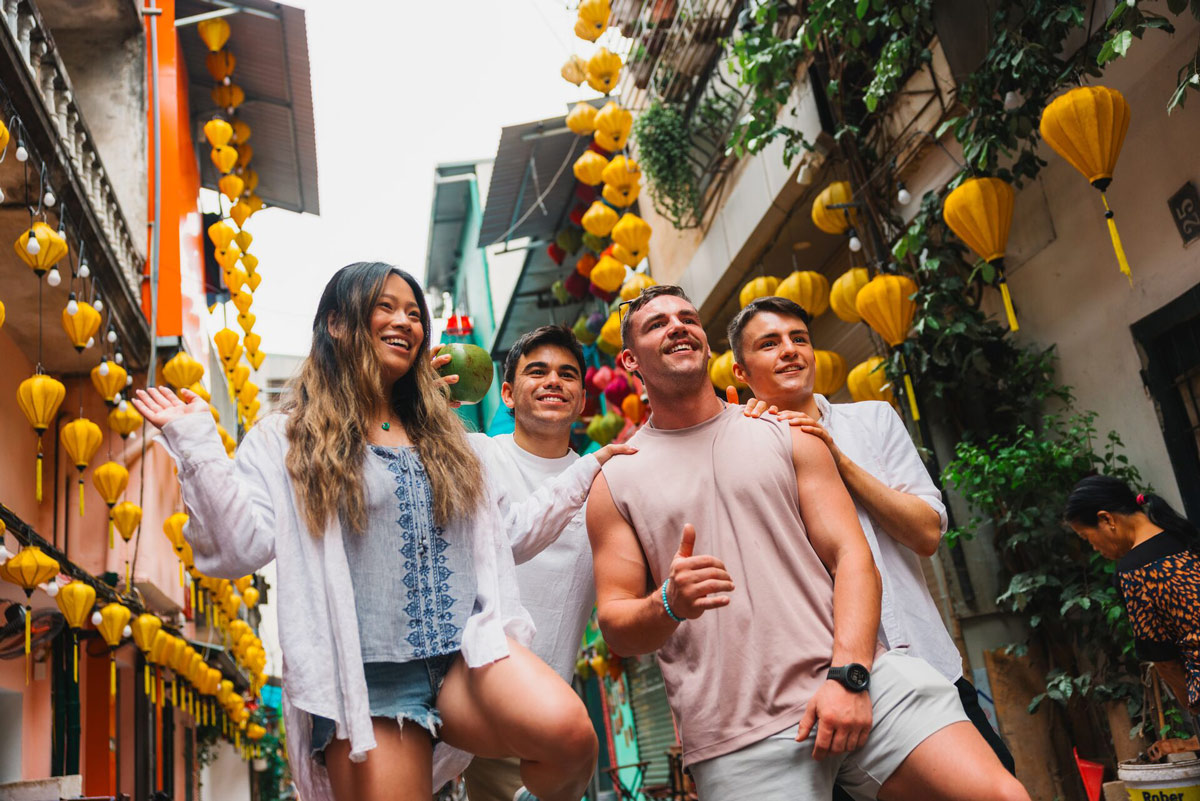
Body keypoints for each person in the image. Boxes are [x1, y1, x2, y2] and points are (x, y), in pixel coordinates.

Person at [131, 263, 597, 801]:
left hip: (465, 656)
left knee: (570, 738)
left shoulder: (450, 439)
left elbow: (508, 534)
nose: (405, 321)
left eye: (414, 313)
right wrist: (196, 443)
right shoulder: (288, 438)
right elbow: (237, 547)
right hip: (371, 682)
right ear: (337, 323)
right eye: (386, 306)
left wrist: (589, 467)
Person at [586, 284, 1029, 801]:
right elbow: (617, 627)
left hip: (863, 679)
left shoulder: (786, 432)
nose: (677, 326)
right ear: (629, 360)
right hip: (737, 734)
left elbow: (853, 556)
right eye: (657, 323)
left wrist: (848, 676)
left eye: (688, 318)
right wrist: (668, 601)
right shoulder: (615, 480)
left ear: (707, 344)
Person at [727, 296, 1016, 774]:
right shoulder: (742, 451)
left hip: (926, 663)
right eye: (770, 343)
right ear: (741, 372)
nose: (790, 350)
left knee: (996, 781)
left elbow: (926, 533)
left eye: (799, 339)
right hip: (826, 689)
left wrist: (837, 460)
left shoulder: (873, 420)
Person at [454, 325, 635, 801]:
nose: (554, 380)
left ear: (582, 401)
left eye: (567, 374)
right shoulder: (476, 456)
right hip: (474, 702)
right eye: (537, 371)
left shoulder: (605, 484)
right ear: (507, 395)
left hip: (551, 719)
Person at [1064, 475, 1200, 717]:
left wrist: (1192, 706)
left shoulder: (1133, 573)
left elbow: (1164, 660)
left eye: (1086, 537)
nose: (1093, 547)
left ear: (1106, 519)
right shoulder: (1184, 535)